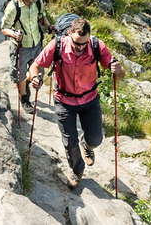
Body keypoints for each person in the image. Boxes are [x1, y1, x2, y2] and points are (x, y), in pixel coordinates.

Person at [27, 18, 125, 189]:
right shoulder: (57, 45)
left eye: (84, 44)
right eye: (76, 43)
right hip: (64, 100)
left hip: (89, 99)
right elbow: (34, 66)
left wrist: (119, 70)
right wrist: (35, 78)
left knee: (96, 139)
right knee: (69, 141)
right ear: (69, 34)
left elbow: (119, 73)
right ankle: (77, 169)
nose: (80, 47)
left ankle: (87, 145)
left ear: (89, 37)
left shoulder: (96, 46)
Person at [1, 0, 52, 114]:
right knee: (20, 74)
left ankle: (27, 82)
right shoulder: (13, 6)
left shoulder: (37, 2)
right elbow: (4, 28)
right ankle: (24, 98)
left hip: (36, 43)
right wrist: (13, 34)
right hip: (21, 46)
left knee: (38, 73)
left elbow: (41, 17)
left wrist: (48, 26)